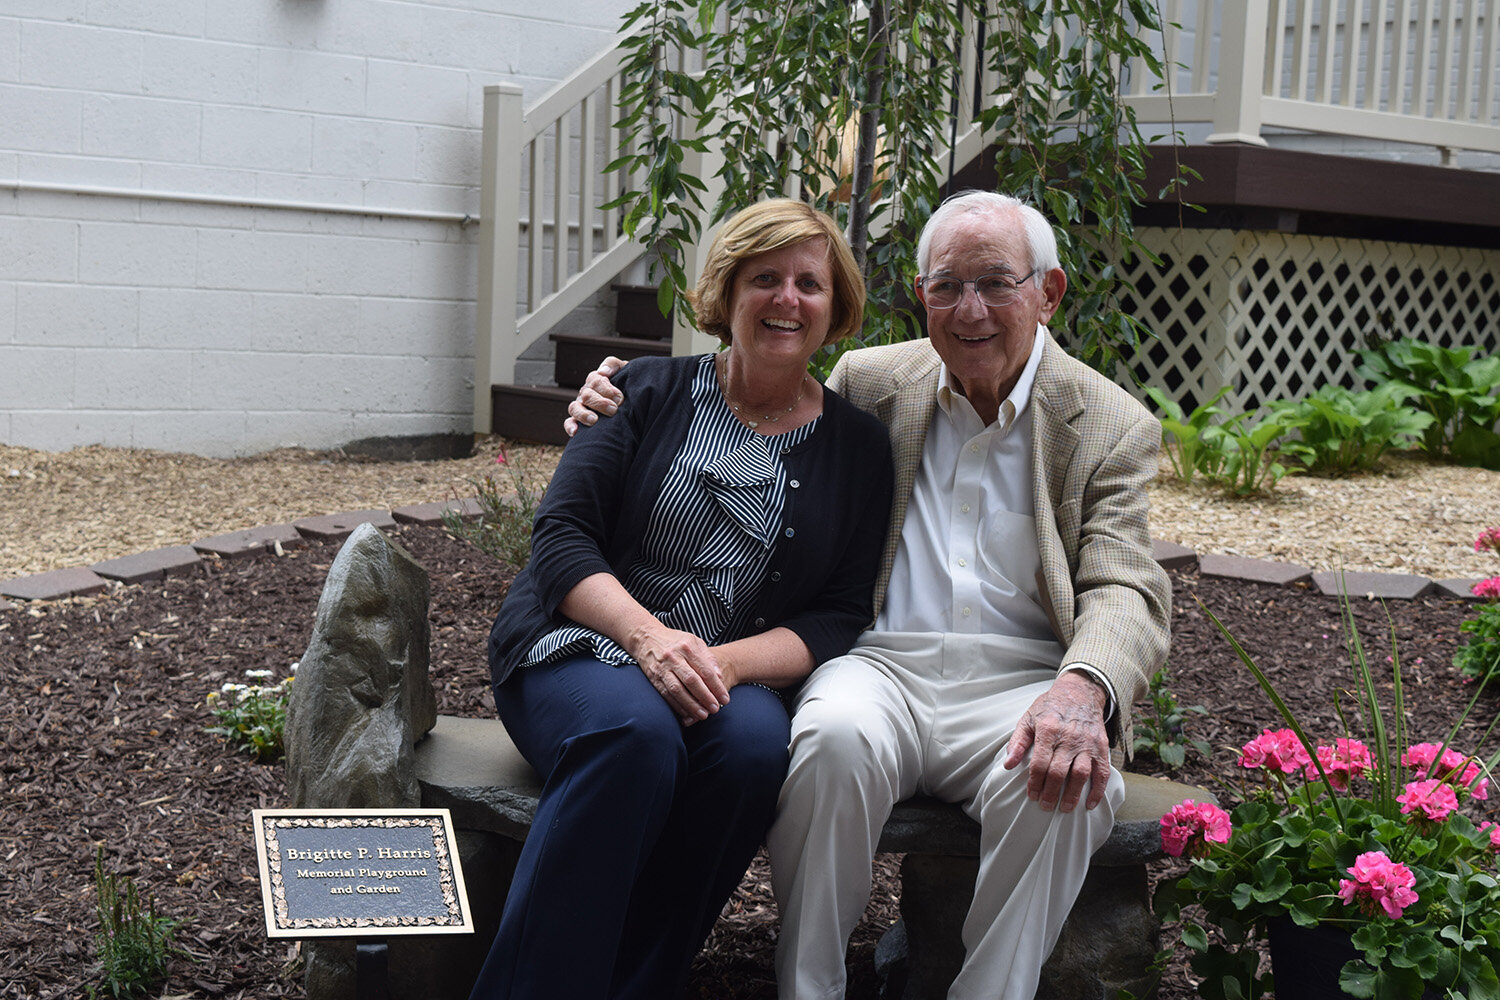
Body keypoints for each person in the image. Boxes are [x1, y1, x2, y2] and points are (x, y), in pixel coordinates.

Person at [565, 190, 1171, 1000]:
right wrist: (620, 391)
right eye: (947, 286)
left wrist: (1082, 686)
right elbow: (752, 389)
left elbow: (1125, 582)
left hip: (1024, 683)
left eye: (997, 283)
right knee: (831, 739)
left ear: (1048, 293)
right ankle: (808, 988)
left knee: (1064, 784)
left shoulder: (1109, 424)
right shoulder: (871, 380)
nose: (971, 310)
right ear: (920, 294)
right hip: (879, 664)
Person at [469, 198, 894, 1000]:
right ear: (727, 292)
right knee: (635, 733)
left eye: (811, 282)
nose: (787, 299)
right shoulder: (638, 391)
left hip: (728, 672)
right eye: (764, 277)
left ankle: (636, 984)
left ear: (835, 308)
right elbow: (560, 541)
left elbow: (837, 613)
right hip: (582, 644)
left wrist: (716, 664)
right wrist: (650, 641)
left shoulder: (859, 447)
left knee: (753, 753)